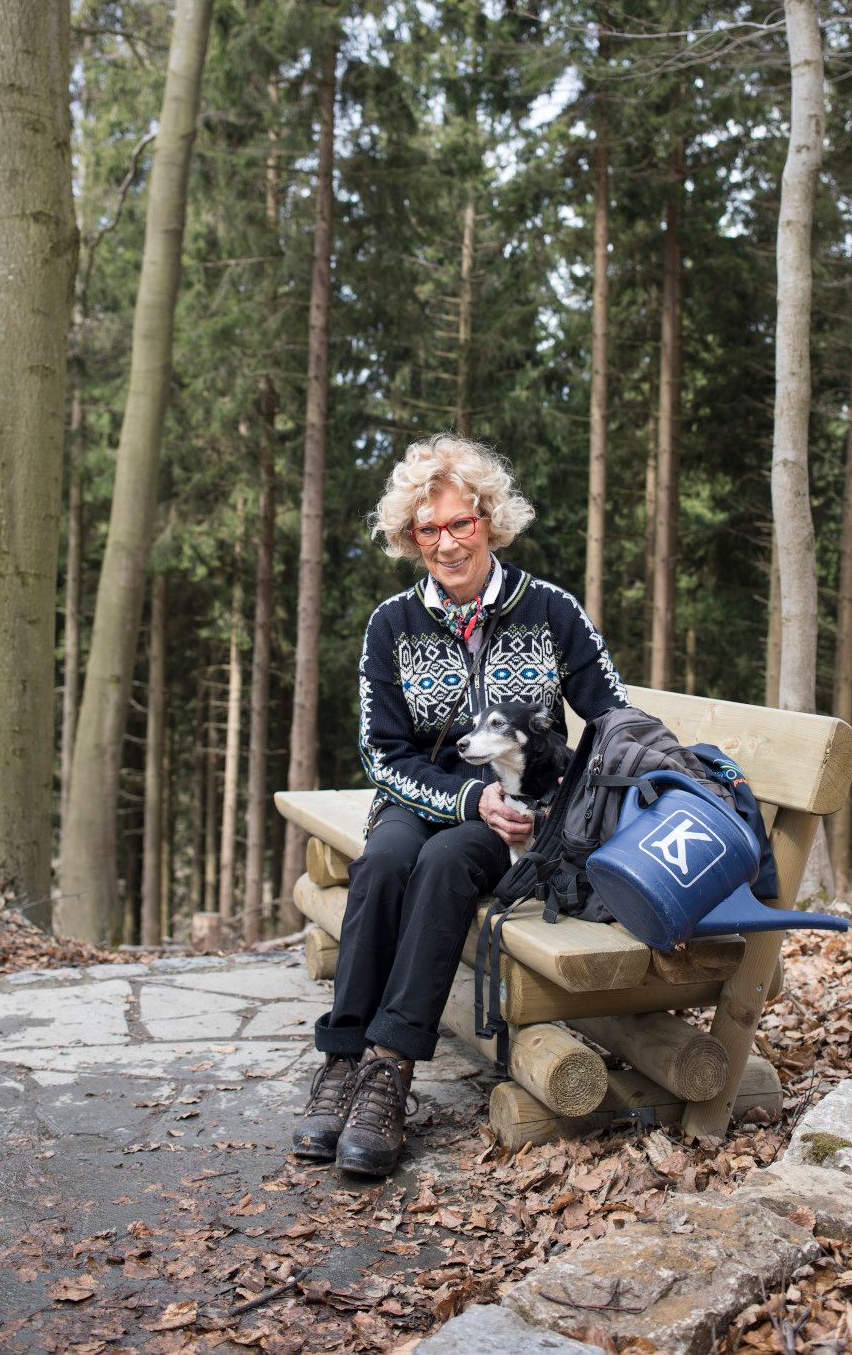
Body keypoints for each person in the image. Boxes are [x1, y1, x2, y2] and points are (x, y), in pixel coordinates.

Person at [293, 434, 627, 1176]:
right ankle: (342, 1058)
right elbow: (383, 754)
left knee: (444, 864)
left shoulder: (549, 610)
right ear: (411, 538)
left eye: (460, 524)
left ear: (489, 522)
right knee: (382, 862)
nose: (446, 544)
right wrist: (464, 795)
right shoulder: (392, 625)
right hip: (428, 795)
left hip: (513, 819)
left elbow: (612, 720)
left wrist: (556, 807)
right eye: (428, 529)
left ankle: (388, 1070)